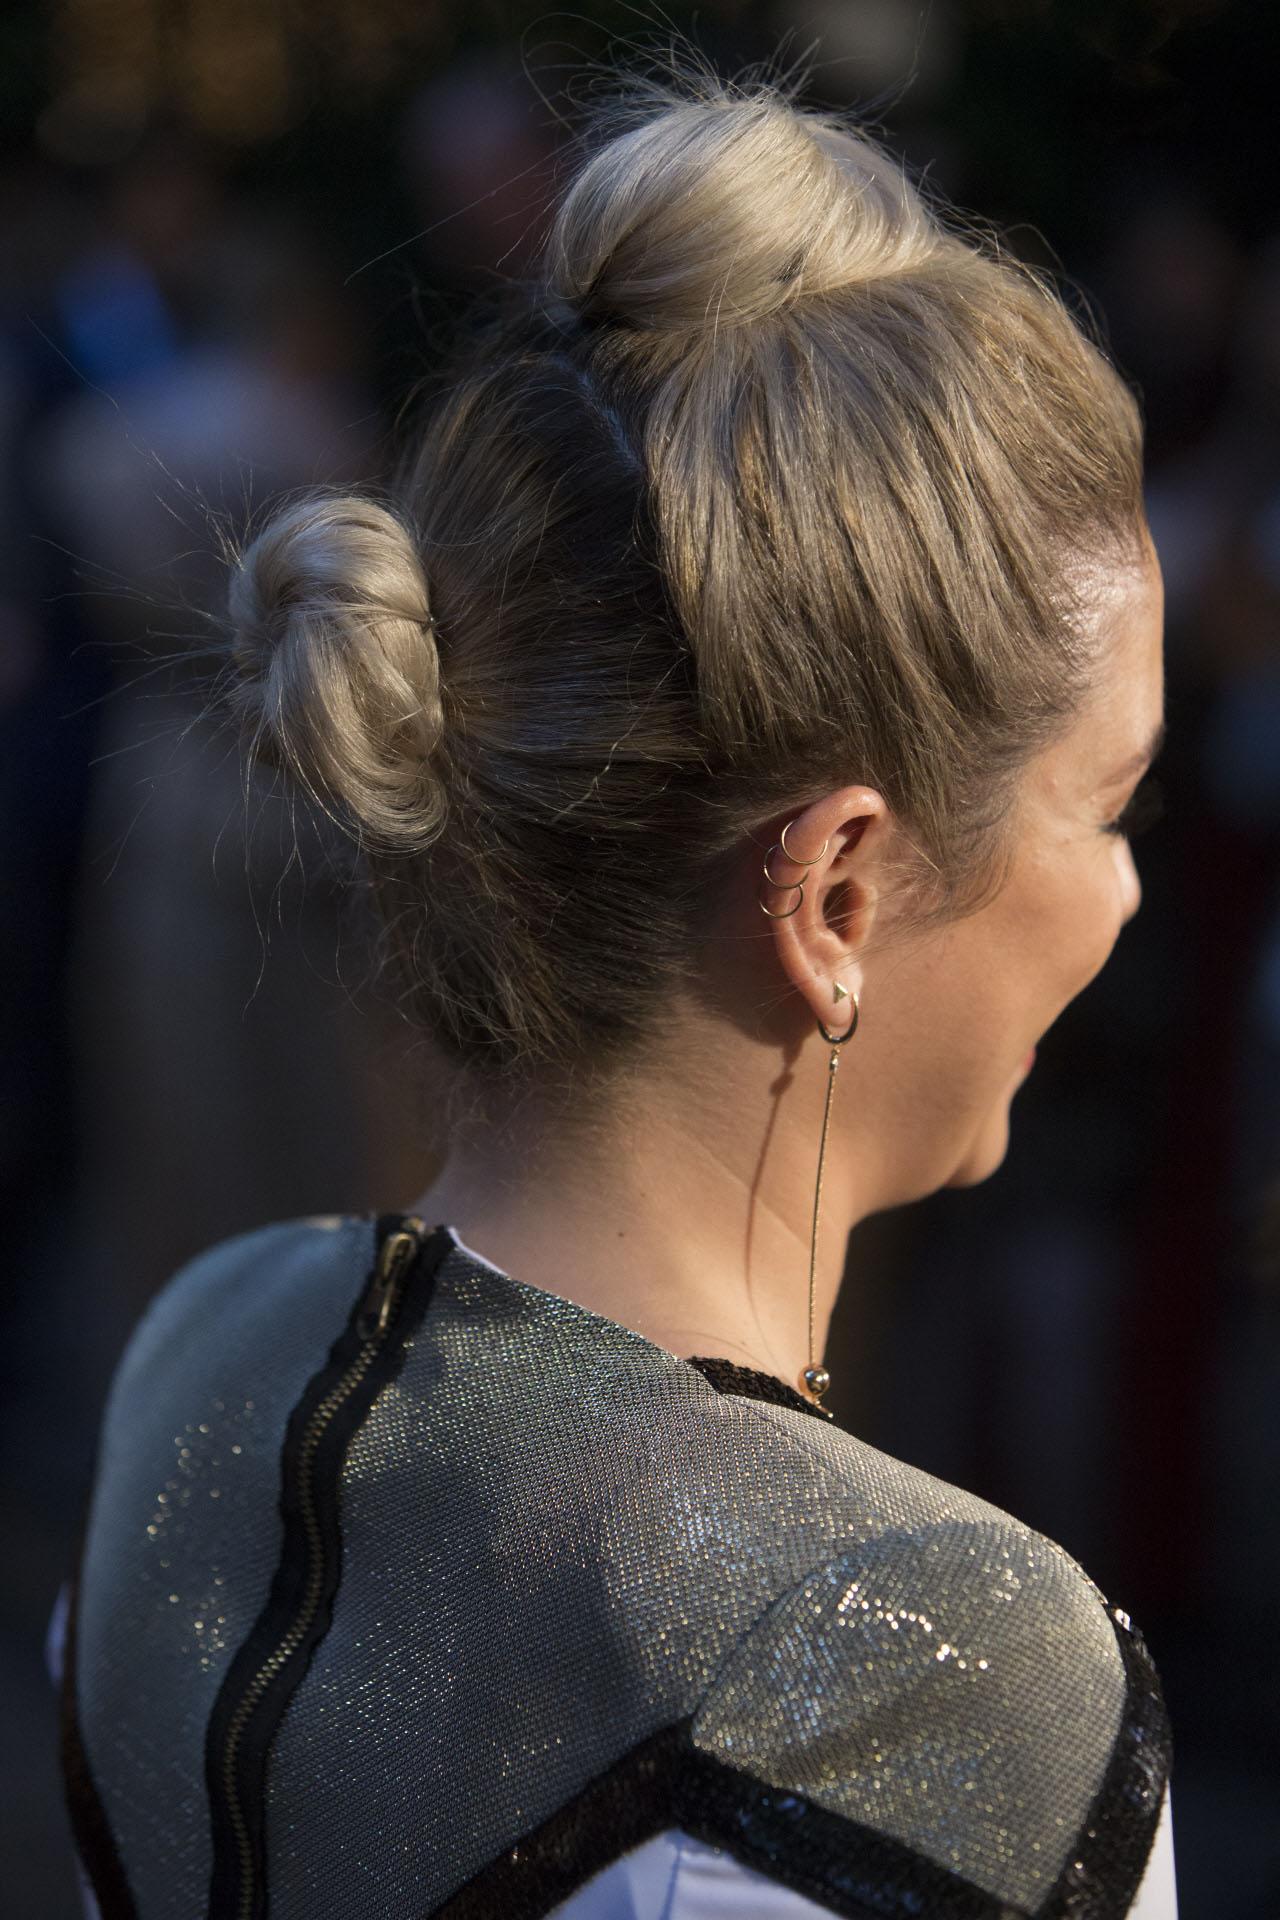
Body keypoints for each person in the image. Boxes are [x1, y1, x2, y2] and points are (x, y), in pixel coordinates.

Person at [57, 62, 1177, 1920]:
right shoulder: (928, 1674)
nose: (1129, 894)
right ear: (833, 889)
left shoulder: (199, 1352)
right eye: (1109, 803)